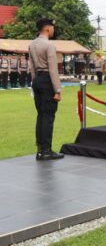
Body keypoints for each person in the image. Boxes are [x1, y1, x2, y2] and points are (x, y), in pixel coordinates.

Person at [29, 18, 64, 160]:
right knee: (48, 116)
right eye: (53, 28)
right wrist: (58, 90)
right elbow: (53, 69)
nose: (53, 31)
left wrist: (35, 82)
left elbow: (31, 67)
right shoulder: (49, 45)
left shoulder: (31, 45)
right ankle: (47, 150)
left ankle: (40, 149)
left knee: (41, 115)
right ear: (48, 29)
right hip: (47, 80)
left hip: (37, 79)